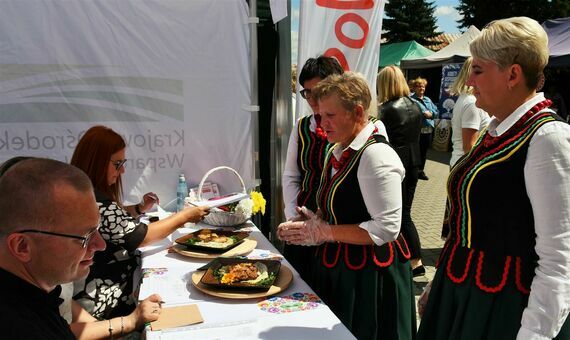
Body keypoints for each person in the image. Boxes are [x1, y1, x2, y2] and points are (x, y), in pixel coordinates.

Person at [417, 17, 570, 340]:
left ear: (513, 74)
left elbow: (559, 255)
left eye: (478, 70)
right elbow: (467, 223)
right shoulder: (496, 128)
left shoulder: (547, 138)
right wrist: (439, 282)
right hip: (463, 291)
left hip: (503, 305)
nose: (469, 81)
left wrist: (535, 334)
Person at [279, 72, 415, 339]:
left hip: (370, 276)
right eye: (320, 115)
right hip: (342, 268)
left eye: (330, 115)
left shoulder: (376, 155)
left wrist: (326, 232)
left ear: (358, 112)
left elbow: (387, 228)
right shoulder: (338, 149)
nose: (322, 123)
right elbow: (338, 204)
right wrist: (312, 222)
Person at [71, 125, 210, 320]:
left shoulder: (88, 196)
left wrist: (138, 208)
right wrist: (184, 216)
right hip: (102, 305)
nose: (123, 170)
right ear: (97, 162)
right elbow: (140, 237)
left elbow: (115, 216)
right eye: (117, 163)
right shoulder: (98, 203)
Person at [282, 56, 388, 283]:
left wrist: (326, 231)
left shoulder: (368, 131)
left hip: (346, 230)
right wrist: (293, 216)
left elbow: (386, 222)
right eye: (306, 92)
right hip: (307, 219)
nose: (311, 98)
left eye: (317, 90)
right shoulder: (302, 126)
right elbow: (291, 175)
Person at [0, 157, 106, 339]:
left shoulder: (34, 293)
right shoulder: (21, 328)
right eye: (85, 236)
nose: (101, 245)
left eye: (97, 228)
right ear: (22, 246)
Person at [377, 65, 425, 277]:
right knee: (405, 212)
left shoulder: (386, 110)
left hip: (396, 165)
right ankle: (415, 259)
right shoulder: (415, 105)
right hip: (414, 163)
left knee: (401, 215)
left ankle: (415, 259)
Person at [448, 57, 490, 167]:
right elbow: (469, 147)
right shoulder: (472, 103)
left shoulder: (468, 99)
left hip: (462, 163)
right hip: (466, 166)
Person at [410, 77, 439, 180]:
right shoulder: (411, 100)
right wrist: (425, 114)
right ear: (414, 88)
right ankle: (414, 171)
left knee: (424, 152)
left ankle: (420, 171)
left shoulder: (427, 99)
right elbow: (416, 113)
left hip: (428, 130)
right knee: (416, 152)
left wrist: (431, 114)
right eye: (418, 86)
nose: (421, 88)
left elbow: (436, 111)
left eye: (422, 86)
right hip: (418, 130)